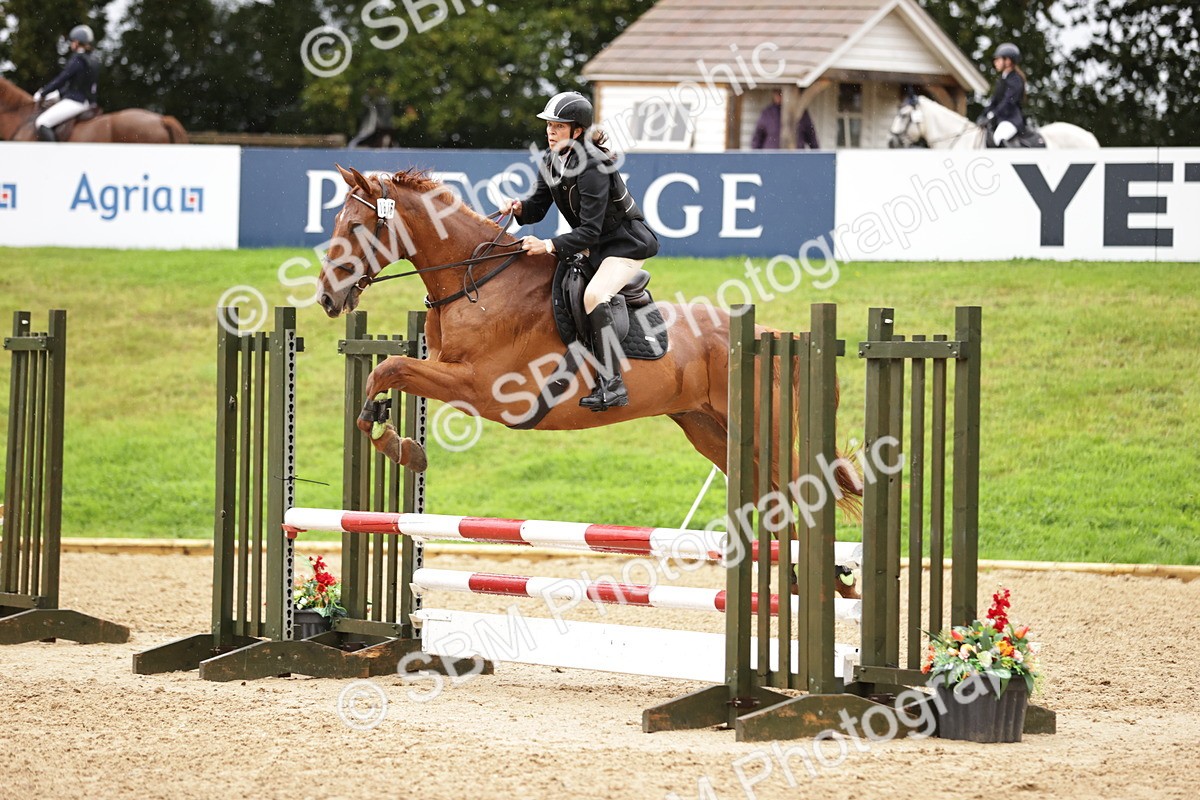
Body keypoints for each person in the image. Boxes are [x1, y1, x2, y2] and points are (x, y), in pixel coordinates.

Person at [503, 91, 659, 412]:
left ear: (577, 131)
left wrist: (549, 245)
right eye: (549, 125)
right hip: (595, 245)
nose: (550, 131)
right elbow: (537, 208)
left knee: (594, 296)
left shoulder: (592, 167)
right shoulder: (551, 161)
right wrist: (519, 209)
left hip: (625, 245)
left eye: (558, 126)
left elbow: (590, 230)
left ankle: (613, 384)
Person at [32, 24, 100, 142]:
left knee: (42, 122)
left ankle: (54, 155)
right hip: (88, 101)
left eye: (72, 41)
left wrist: (43, 93)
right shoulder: (93, 59)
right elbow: (77, 84)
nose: (71, 44)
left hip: (76, 101)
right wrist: (58, 94)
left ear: (78, 42)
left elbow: (61, 79)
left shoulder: (78, 59)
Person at [977, 42, 1026, 147]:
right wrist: (983, 115)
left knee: (998, 137)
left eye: (998, 59)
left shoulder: (1015, 79)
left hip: (1011, 120)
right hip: (1000, 119)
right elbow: (994, 101)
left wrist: (992, 115)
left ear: (1007, 61)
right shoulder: (1002, 80)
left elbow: (1008, 102)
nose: (995, 62)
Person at [751, 89, 820, 149]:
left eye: (781, 93)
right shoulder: (767, 113)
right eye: (776, 93)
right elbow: (757, 139)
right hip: (771, 159)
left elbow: (812, 139)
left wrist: (817, 158)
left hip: (795, 159)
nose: (779, 96)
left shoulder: (801, 113)